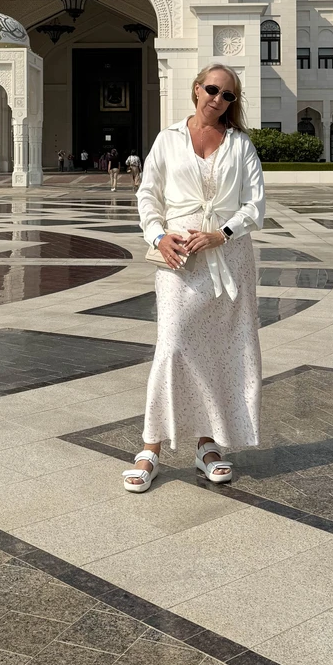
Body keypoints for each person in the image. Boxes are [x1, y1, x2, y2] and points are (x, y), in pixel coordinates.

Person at [126, 63, 264, 493]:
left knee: (224, 349)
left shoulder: (240, 146)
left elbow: (255, 205)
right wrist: (158, 235)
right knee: (172, 344)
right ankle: (151, 446)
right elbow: (148, 194)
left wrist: (222, 234)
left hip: (228, 258)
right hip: (179, 257)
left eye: (227, 96)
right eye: (212, 90)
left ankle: (208, 444)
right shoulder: (168, 140)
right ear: (195, 89)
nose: (218, 100)